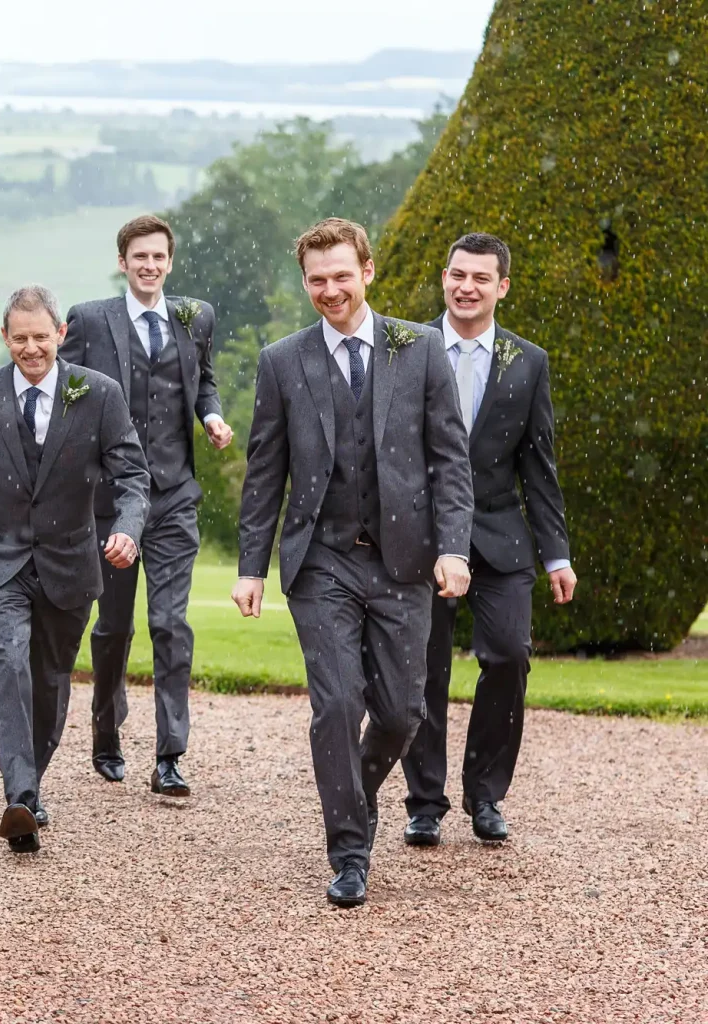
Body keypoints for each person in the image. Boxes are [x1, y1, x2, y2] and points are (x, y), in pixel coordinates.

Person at [231, 218, 473, 907]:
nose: (330, 290)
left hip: (406, 563)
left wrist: (453, 547)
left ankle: (351, 797)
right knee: (336, 702)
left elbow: (449, 460)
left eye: (342, 275)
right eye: (317, 280)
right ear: (304, 282)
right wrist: (250, 566)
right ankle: (349, 852)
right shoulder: (283, 361)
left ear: (368, 271)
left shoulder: (420, 348)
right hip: (322, 562)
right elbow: (264, 472)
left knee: (401, 713)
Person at [0, 285, 149, 853]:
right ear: (5, 338)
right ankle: (20, 797)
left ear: (61, 335)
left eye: (41, 338)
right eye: (20, 339)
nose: (31, 349)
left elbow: (132, 476)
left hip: (71, 562)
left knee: (52, 680)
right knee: (12, 661)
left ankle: (32, 785)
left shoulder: (100, 394)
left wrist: (126, 527)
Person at [399, 233, 577, 847]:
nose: (465, 286)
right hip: (422, 538)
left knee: (508, 655)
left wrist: (556, 552)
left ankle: (485, 794)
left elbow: (539, 465)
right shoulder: (406, 349)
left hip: (502, 538)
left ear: (502, 287)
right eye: (457, 274)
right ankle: (424, 801)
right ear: (444, 278)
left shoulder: (529, 363)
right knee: (425, 667)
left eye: (480, 277)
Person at [60, 213, 234, 794]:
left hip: (176, 496)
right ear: (123, 261)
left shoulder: (195, 316)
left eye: (159, 257)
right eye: (140, 257)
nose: (150, 266)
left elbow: (202, 380)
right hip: (108, 502)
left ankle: (169, 755)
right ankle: (106, 731)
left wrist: (210, 414)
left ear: (170, 260)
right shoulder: (89, 319)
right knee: (111, 628)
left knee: (169, 623)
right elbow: (70, 390)